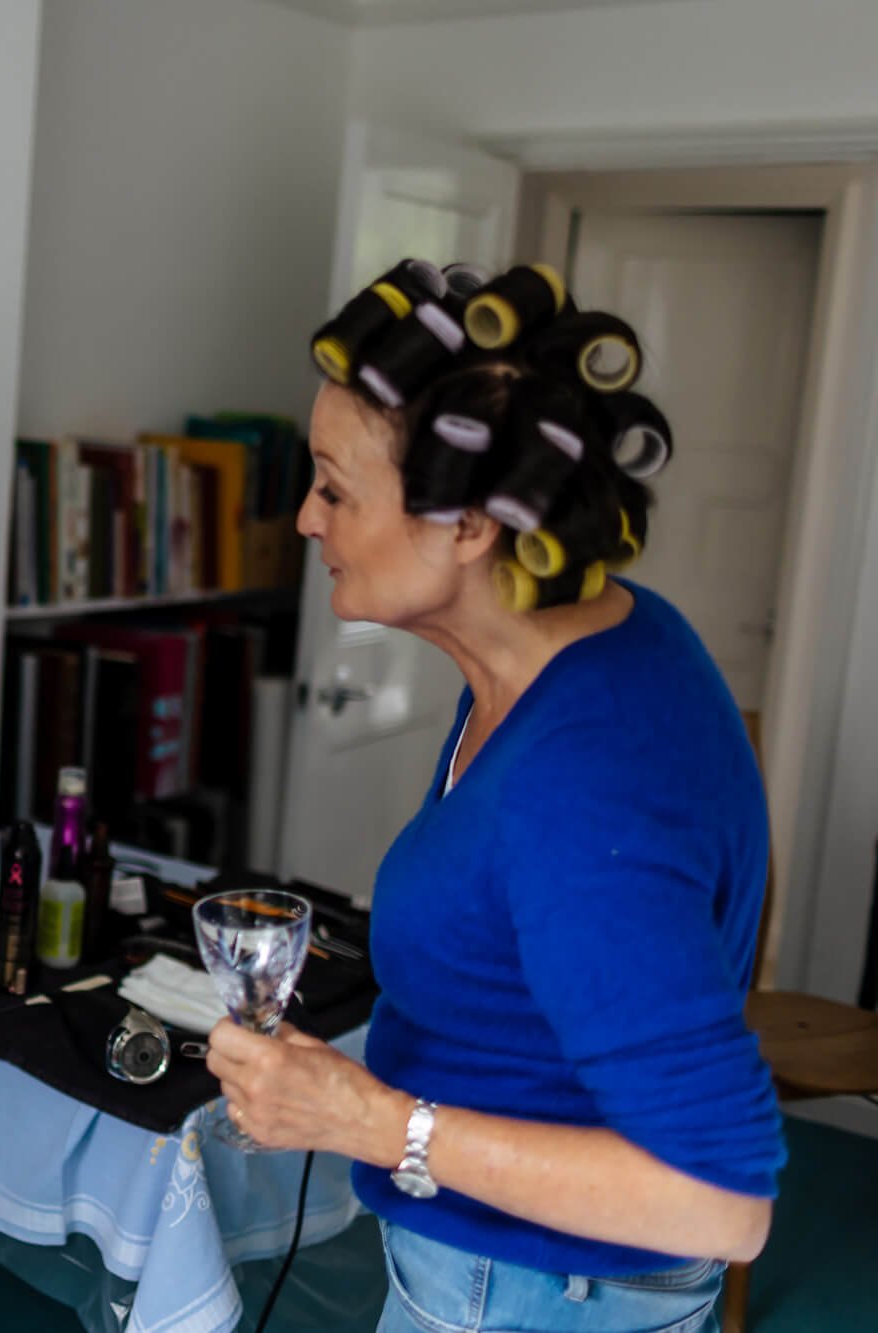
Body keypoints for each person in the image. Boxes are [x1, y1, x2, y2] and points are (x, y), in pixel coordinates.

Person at [207, 262, 783, 1332]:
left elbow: (721, 1200)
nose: (302, 519)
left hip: (531, 1300)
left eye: (333, 487)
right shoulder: (573, 653)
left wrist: (376, 1122)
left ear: (468, 524)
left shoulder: (587, 783)